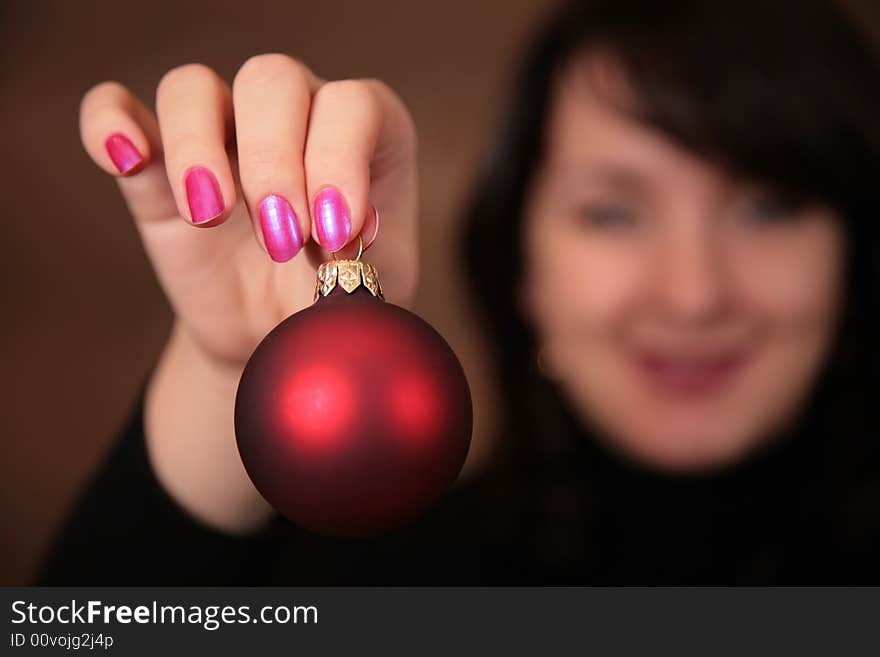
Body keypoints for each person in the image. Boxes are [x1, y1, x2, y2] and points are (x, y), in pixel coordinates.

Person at [39, 0, 880, 584]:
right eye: (614, 212)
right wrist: (231, 367)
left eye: (770, 207)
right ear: (521, 263)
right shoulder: (381, 585)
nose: (695, 295)